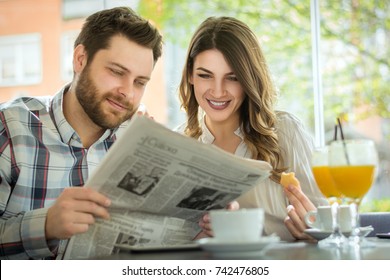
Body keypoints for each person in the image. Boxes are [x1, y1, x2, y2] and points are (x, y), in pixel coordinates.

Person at [0, 6, 163, 259]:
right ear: (80, 59)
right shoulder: (10, 128)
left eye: (140, 82)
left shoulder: (137, 138)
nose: (127, 92)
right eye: (117, 72)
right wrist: (45, 226)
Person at [177, 16, 327, 241]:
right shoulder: (177, 143)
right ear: (190, 75)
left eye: (233, 78)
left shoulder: (286, 132)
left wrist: (316, 233)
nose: (218, 92)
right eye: (205, 75)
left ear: (249, 79)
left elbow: (327, 228)